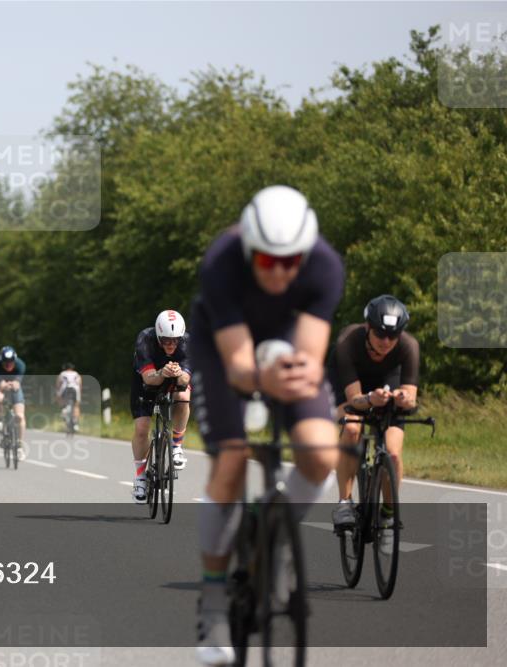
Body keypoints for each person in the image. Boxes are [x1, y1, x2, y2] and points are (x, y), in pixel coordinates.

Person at [190, 185, 344, 665]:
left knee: (321, 454)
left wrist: (298, 376)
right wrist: (261, 378)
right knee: (232, 460)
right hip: (222, 350)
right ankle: (213, 600)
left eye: (290, 261)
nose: (279, 271)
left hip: (287, 345)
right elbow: (238, 366)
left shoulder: (326, 267)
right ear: (250, 250)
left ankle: (274, 537)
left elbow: (313, 357)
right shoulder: (222, 262)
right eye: (267, 261)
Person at [328, 295, 418, 553]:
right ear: (368, 327)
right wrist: (370, 398)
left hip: (387, 383)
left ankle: (388, 515)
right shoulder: (348, 341)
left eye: (393, 336)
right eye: (380, 334)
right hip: (352, 386)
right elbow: (354, 399)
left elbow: (411, 396)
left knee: (392, 452)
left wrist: (403, 398)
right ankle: (344, 502)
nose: (386, 341)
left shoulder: (408, 346)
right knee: (353, 427)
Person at [130, 310, 192, 503]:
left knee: (182, 395)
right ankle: (140, 477)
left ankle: (177, 445)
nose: (171, 345)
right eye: (165, 340)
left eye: (175, 340)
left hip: (174, 378)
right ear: (157, 336)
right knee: (141, 429)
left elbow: (185, 379)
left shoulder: (188, 343)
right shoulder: (145, 340)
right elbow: (149, 380)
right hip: (146, 382)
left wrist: (178, 373)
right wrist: (162, 373)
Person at [0, 346, 27, 451]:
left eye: (11, 362)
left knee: (20, 416)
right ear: (1, 361)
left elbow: (17, 383)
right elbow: (0, 384)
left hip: (14, 387)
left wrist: (13, 384)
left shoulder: (20, 365)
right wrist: (4, 385)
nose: (9, 364)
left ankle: (20, 445)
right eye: (5, 362)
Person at [56, 363, 82, 431]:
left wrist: (58, 394)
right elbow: (79, 384)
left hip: (65, 390)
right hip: (75, 390)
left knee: (63, 404)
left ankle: (64, 412)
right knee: (76, 406)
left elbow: (58, 384)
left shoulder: (63, 373)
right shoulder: (76, 374)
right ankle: (76, 424)